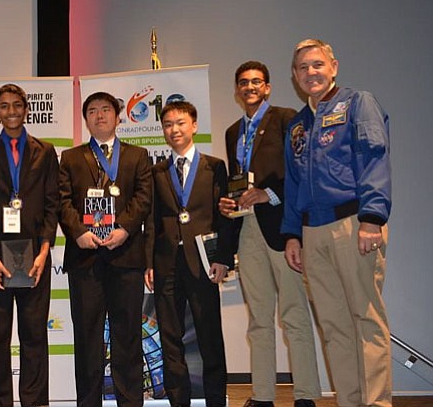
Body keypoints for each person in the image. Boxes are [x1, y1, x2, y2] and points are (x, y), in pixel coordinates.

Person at [282, 39, 392, 407]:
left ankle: (376, 403)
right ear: (295, 76)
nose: (310, 73)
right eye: (303, 68)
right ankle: (350, 401)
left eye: (317, 65)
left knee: (366, 320)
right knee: (334, 327)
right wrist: (292, 235)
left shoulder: (358, 103)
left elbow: (374, 158)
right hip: (313, 233)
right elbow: (293, 184)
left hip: (354, 223)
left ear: (333, 66)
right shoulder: (297, 126)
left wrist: (372, 218)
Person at [219, 61, 320, 407]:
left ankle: (305, 395)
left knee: (293, 313)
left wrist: (269, 194)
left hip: (282, 227)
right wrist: (230, 203)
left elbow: (299, 171)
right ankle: (262, 396)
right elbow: (238, 179)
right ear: (236, 90)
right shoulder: (233, 131)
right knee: (258, 318)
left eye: (256, 82)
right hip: (247, 228)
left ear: (268, 87)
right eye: (243, 82)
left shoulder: (285, 118)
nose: (249, 87)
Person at [59, 91, 152, 407]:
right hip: (85, 257)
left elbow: (143, 198)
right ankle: (88, 402)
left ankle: (130, 401)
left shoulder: (138, 156)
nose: (99, 115)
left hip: (125, 257)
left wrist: (124, 228)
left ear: (117, 116)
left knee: (127, 336)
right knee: (88, 337)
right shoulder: (70, 158)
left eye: (106, 110)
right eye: (93, 111)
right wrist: (79, 233)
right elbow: (62, 201)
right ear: (85, 119)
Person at [0, 83, 59, 407]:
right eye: (4, 106)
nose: (11, 111)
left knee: (35, 335)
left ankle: (35, 403)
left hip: (35, 253)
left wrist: (45, 250)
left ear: (26, 109)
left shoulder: (45, 151)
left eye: (16, 105)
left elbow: (53, 203)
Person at [144, 100, 231, 407]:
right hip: (166, 264)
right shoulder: (157, 171)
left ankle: (216, 400)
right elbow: (152, 221)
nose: (174, 129)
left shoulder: (215, 167)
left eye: (180, 123)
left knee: (209, 335)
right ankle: (178, 401)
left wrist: (223, 258)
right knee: (170, 337)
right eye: (168, 125)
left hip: (204, 263)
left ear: (193, 126)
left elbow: (225, 217)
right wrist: (149, 263)